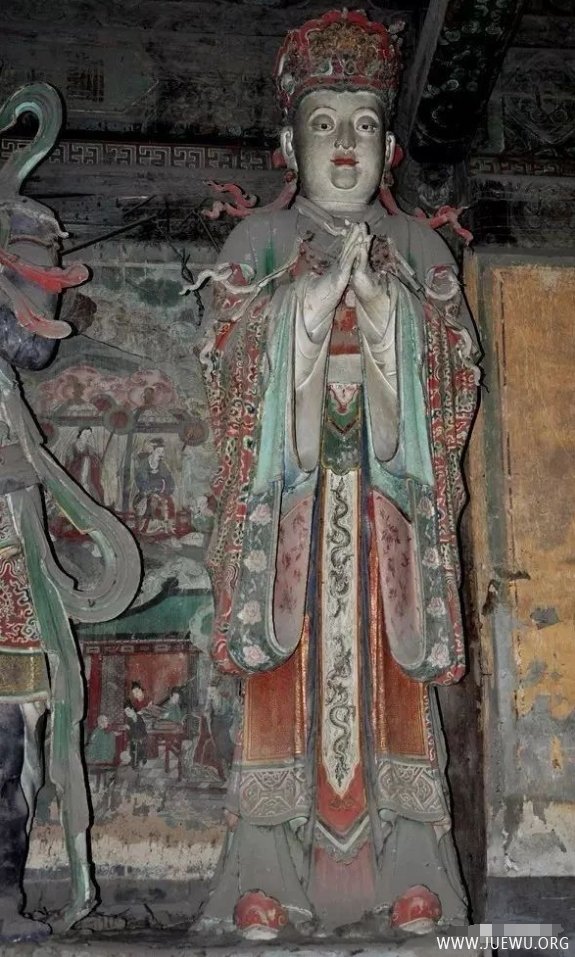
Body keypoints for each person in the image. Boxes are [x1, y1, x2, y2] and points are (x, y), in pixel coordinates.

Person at [199, 9, 479, 938]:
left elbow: (457, 376)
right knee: (279, 679)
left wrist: (391, 318)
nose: (345, 143)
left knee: (394, 677)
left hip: (387, 499)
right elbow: (223, 370)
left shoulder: (423, 250)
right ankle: (266, 870)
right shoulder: (257, 242)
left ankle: (411, 865)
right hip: (288, 496)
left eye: (363, 123)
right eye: (323, 124)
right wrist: (305, 315)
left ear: (390, 147)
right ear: (289, 145)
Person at [65, 426, 105, 502]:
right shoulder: (72, 447)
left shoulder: (89, 448)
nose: (87, 437)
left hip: (87, 476)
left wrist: (97, 458)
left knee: (94, 490)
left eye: (89, 435)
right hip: (74, 474)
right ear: (80, 434)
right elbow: (69, 463)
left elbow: (95, 459)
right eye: (85, 434)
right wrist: (81, 459)